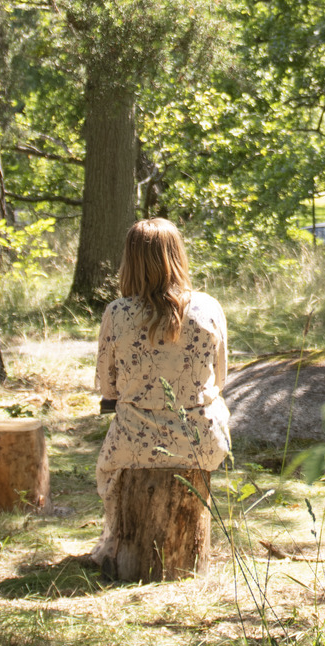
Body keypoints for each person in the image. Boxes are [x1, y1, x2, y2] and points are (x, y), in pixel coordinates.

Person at [91, 218, 230, 566]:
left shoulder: (117, 313)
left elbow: (107, 386)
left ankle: (118, 543)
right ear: (177, 255)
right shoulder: (209, 307)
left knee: (107, 466)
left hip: (134, 443)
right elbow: (221, 378)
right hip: (200, 442)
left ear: (131, 260)